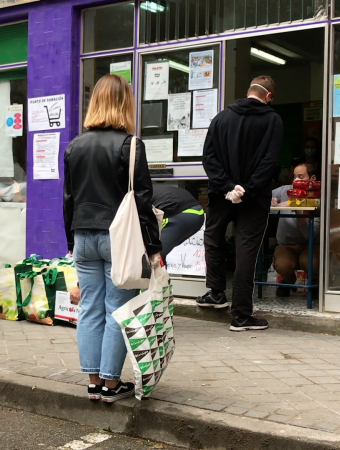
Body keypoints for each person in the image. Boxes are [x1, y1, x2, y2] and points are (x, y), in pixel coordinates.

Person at [63, 74, 161, 403]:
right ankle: (110, 384)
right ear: (125, 103)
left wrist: (71, 243)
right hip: (117, 239)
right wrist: (154, 248)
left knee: (89, 308)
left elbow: (68, 199)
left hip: (83, 235)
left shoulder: (75, 145)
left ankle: (93, 382)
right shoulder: (130, 145)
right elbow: (143, 203)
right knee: (117, 310)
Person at [200, 76, 284, 332]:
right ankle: (241, 316)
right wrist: (247, 189)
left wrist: (227, 186)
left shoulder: (221, 118)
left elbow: (209, 157)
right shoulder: (273, 120)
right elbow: (269, 162)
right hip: (254, 198)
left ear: (249, 91)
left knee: (213, 239)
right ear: (269, 96)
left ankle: (216, 292)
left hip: (220, 195)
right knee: (246, 251)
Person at [67, 184, 204, 301]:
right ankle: (154, 305)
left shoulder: (123, 204)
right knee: (155, 257)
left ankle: (149, 308)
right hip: (191, 212)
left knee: (151, 257)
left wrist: (80, 286)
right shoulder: (124, 197)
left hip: (183, 213)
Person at [270, 161, 320, 297]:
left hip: (309, 245)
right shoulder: (285, 190)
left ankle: (315, 284)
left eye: (301, 176)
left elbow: (310, 235)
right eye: (294, 177)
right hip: (286, 245)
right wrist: (272, 201)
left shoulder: (317, 197)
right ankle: (288, 281)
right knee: (282, 264)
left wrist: (299, 213)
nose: (296, 181)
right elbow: (266, 197)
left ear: (313, 179)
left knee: (311, 262)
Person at [152, 183, 205, 261]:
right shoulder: (144, 189)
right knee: (158, 254)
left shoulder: (133, 198)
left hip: (182, 214)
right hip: (198, 213)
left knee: (153, 256)